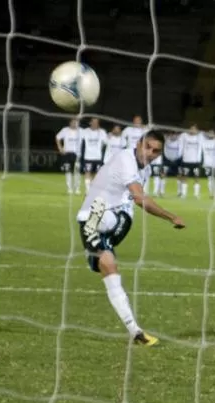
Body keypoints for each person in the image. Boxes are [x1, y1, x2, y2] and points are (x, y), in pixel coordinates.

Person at [77, 130, 186, 346]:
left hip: (109, 220)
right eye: (148, 147)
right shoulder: (126, 160)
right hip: (94, 218)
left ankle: (136, 332)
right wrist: (171, 216)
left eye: (156, 151)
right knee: (110, 266)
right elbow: (139, 199)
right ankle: (136, 332)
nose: (151, 153)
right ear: (138, 144)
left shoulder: (144, 168)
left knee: (107, 263)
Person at [79, 117, 108, 192]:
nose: (95, 124)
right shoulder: (85, 131)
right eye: (94, 122)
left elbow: (106, 142)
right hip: (88, 156)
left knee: (97, 174)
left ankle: (93, 189)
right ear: (90, 123)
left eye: (97, 122)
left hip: (98, 157)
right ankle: (88, 190)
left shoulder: (102, 132)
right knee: (87, 172)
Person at [55, 118, 82, 194]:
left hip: (77, 154)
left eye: (76, 122)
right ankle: (69, 188)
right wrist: (60, 148)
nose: (74, 124)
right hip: (67, 153)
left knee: (77, 172)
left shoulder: (81, 131)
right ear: (70, 123)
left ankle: (77, 189)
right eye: (73, 122)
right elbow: (57, 138)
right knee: (68, 171)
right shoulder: (65, 130)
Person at [177, 124, 204, 199]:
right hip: (186, 160)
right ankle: (183, 194)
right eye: (191, 129)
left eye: (194, 129)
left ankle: (196, 194)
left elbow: (208, 136)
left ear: (197, 130)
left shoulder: (200, 137)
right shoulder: (184, 136)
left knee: (196, 177)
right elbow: (179, 142)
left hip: (196, 161)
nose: (193, 130)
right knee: (184, 177)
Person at [201, 129, 215, 199]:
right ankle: (211, 194)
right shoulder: (204, 142)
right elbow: (200, 133)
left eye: (212, 133)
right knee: (210, 179)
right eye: (209, 133)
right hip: (207, 164)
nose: (210, 134)